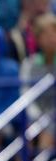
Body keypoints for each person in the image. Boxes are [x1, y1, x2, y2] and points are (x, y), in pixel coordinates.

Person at [21, 13, 56, 150]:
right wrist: (37, 116)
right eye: (46, 35)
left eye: (54, 34)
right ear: (38, 39)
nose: (52, 39)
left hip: (53, 116)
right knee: (25, 132)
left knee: (47, 130)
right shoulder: (29, 64)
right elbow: (25, 93)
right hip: (36, 115)